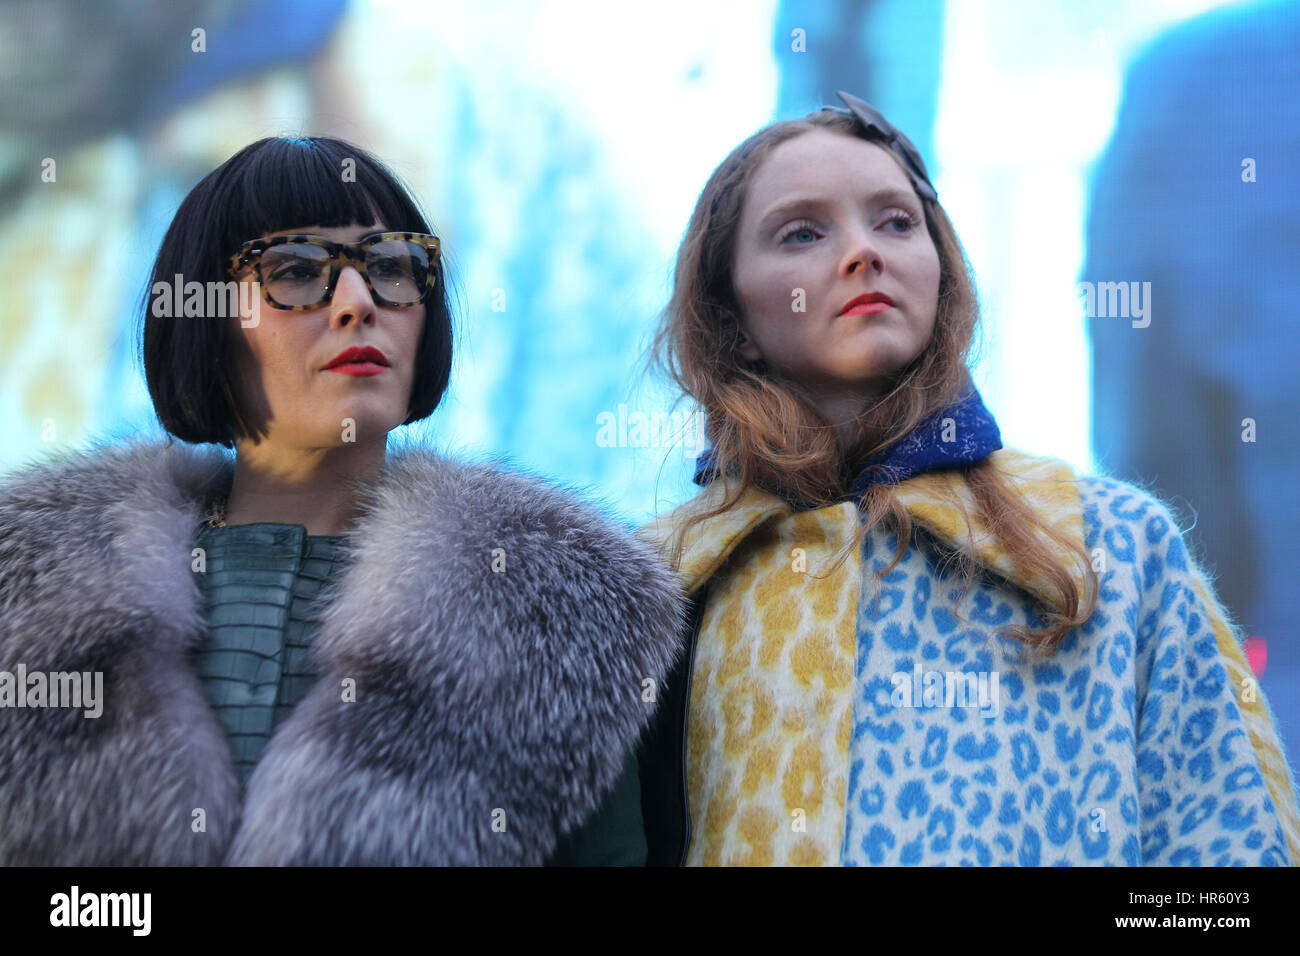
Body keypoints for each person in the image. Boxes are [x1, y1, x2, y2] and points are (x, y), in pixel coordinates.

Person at [637, 92, 1300, 866]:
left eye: (895, 221)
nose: (863, 252)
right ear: (731, 319)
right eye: (802, 232)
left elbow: (1233, 873)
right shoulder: (655, 589)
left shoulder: (1111, 547)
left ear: (942, 270)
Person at [0, 136, 684, 865]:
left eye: (392, 267)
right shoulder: (26, 605)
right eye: (296, 270)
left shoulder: (559, 611)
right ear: (202, 312)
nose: (359, 303)